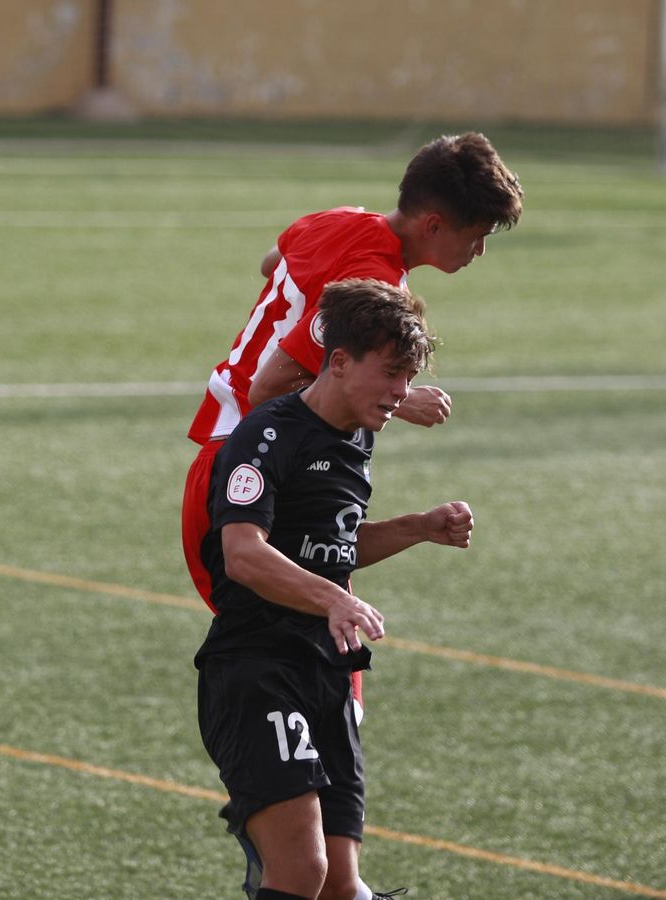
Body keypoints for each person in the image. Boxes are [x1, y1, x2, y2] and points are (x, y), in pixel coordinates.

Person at [180, 132, 519, 897]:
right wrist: (392, 401)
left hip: (228, 451)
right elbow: (276, 388)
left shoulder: (343, 220)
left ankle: (317, 856)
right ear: (435, 223)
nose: (479, 251)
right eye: (478, 234)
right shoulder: (376, 281)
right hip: (247, 465)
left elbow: (275, 266)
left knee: (315, 631)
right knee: (292, 633)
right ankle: (282, 837)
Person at [195, 279, 474, 900]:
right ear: (340, 360)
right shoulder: (268, 434)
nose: (403, 392)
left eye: (410, 375)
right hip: (257, 668)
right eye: (393, 372)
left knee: (342, 886)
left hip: (327, 673)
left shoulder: (359, 434)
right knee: (302, 874)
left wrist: (418, 528)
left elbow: (335, 549)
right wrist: (333, 598)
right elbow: (243, 554)